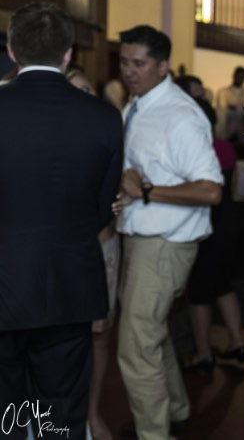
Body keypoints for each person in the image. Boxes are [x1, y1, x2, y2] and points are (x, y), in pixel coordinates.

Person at [0, 2, 123, 439]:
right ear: (68, 53)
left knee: (6, 411)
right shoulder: (103, 116)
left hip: (4, 283)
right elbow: (104, 205)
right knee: (62, 412)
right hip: (70, 283)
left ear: (12, 50)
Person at [115, 25, 223, 440]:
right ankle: (175, 409)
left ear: (163, 66)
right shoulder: (137, 104)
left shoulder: (179, 116)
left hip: (166, 243)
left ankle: (153, 434)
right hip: (142, 236)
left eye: (138, 63)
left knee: (135, 344)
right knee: (150, 334)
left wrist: (145, 191)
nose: (129, 70)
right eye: (124, 62)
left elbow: (211, 190)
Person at [175, 75, 244, 374]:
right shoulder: (225, 148)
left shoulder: (195, 150)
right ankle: (237, 342)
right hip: (229, 224)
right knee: (223, 285)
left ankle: (204, 353)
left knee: (199, 292)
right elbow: (237, 189)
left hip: (205, 227)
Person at [65, 66, 120, 440]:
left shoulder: (104, 131)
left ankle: (93, 412)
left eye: (86, 89)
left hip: (104, 243)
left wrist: (119, 198)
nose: (82, 97)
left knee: (100, 335)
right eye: (74, 90)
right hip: (63, 251)